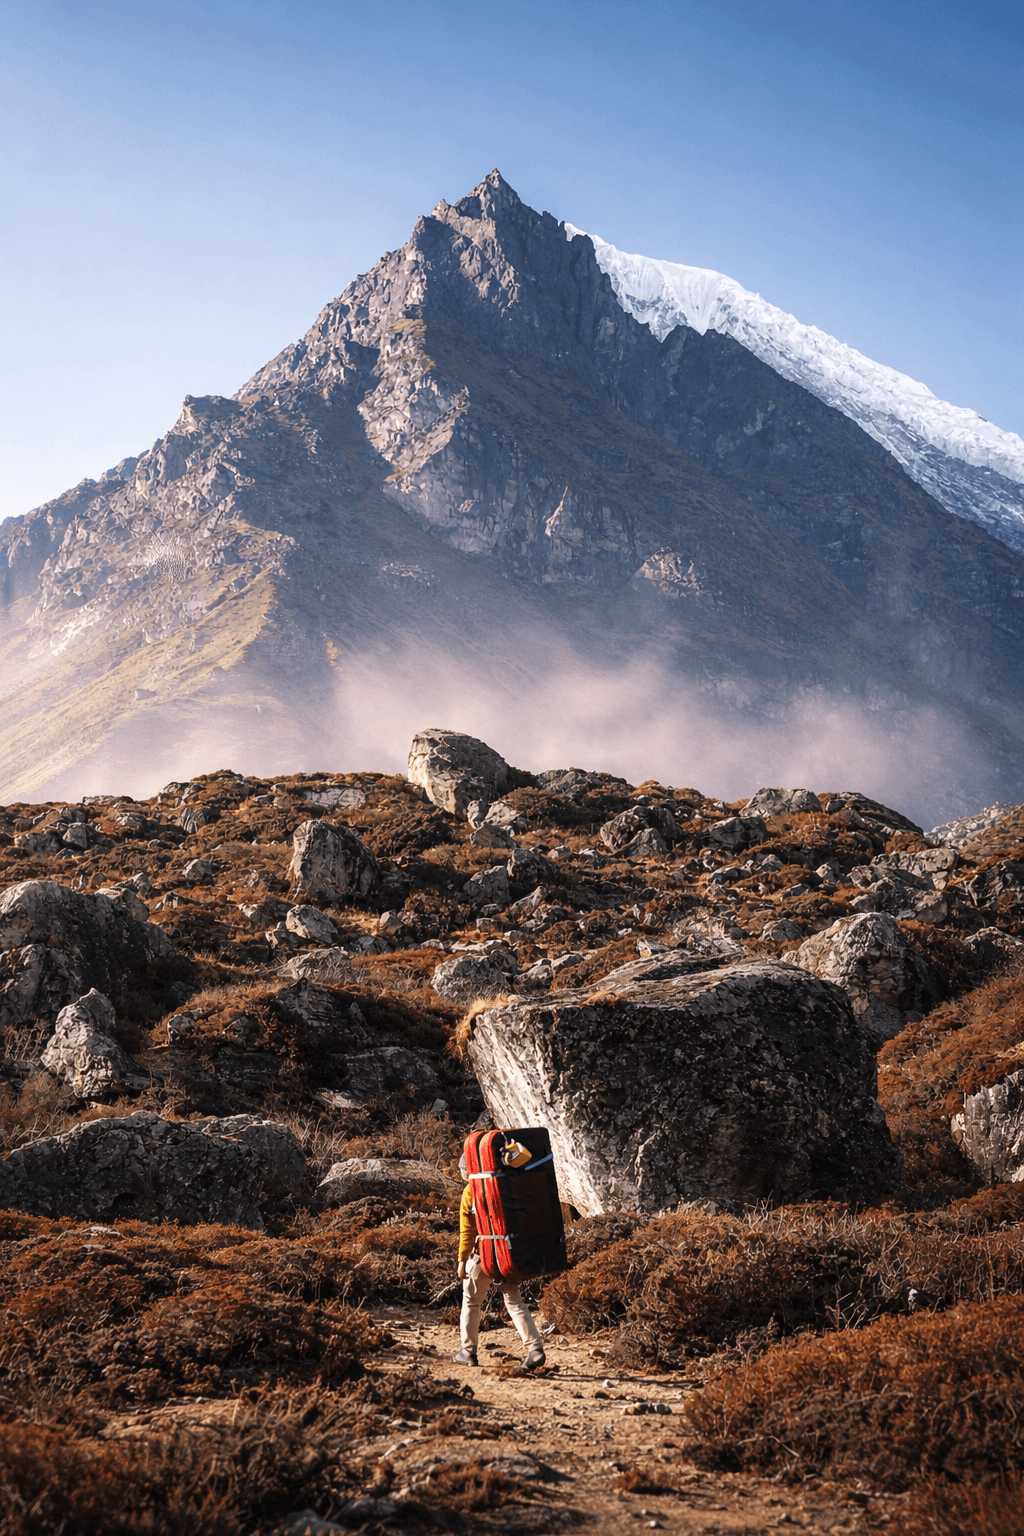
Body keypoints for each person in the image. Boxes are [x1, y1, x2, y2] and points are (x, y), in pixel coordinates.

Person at [453, 1148, 546, 1371]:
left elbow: (468, 1231)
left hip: (484, 1253)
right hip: (510, 1253)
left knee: (471, 1300)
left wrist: (461, 1260)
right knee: (514, 1301)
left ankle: (468, 1351)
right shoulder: (508, 1183)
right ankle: (535, 1348)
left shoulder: (470, 1191)